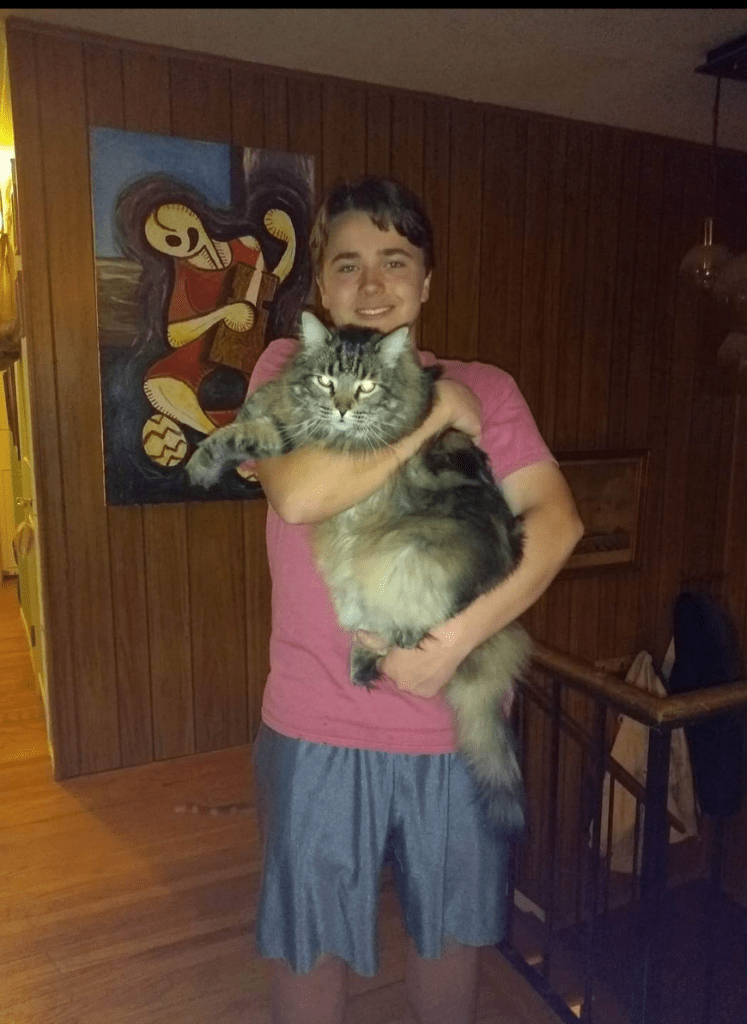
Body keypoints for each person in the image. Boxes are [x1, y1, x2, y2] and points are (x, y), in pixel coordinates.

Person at [247, 177, 583, 1024]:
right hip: (316, 719)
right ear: (320, 287)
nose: (370, 284)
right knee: (310, 941)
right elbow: (298, 494)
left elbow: (557, 524)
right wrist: (431, 416)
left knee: (450, 939)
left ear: (425, 281)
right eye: (347, 264)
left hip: (453, 720)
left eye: (394, 261)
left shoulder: (488, 387)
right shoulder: (288, 366)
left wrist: (450, 646)